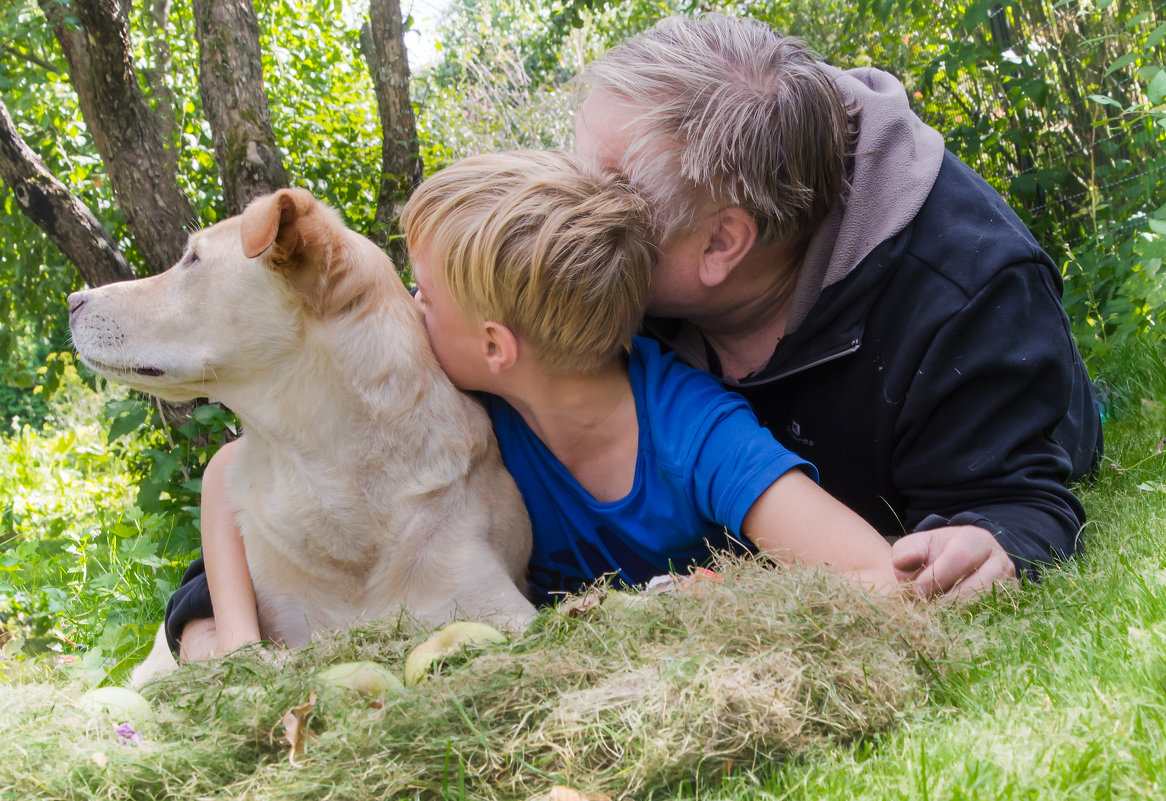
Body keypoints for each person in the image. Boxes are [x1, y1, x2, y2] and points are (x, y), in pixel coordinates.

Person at [174, 150, 897, 659]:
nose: (405, 310)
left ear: (495, 345)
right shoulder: (466, 407)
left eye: (421, 294)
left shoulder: (694, 434)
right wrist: (230, 639)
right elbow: (228, 471)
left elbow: (880, 575)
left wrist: (735, 604)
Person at [573, 13, 1102, 600]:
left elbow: (1014, 501)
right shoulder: (661, 229)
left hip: (1000, 411)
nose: (564, 204)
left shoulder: (967, 294)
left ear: (720, 243)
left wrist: (991, 540)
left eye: (604, 191)